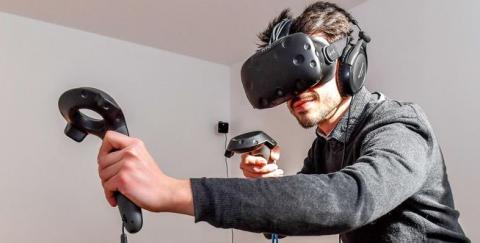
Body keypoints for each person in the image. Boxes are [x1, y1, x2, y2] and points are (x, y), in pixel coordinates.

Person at [96, 2, 470, 242]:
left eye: (311, 67)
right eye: (287, 79)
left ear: (350, 63)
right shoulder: (325, 145)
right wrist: (273, 184)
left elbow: (348, 200)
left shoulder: (399, 125)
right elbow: (299, 211)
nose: (297, 89)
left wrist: (172, 191)